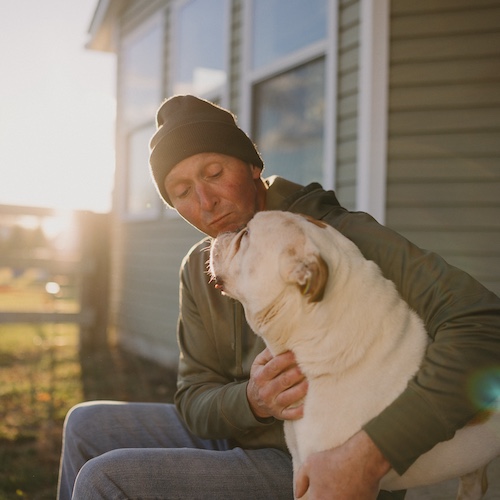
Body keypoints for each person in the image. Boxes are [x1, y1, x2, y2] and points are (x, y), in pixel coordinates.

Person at [58, 95, 500, 499]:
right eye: (183, 192)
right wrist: (251, 399)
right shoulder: (201, 265)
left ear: (252, 166)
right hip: (244, 429)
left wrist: (372, 452)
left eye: (214, 174)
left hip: (313, 455)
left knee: (104, 480)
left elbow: (483, 326)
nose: (206, 202)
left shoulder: (336, 240)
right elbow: (193, 396)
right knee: (84, 425)